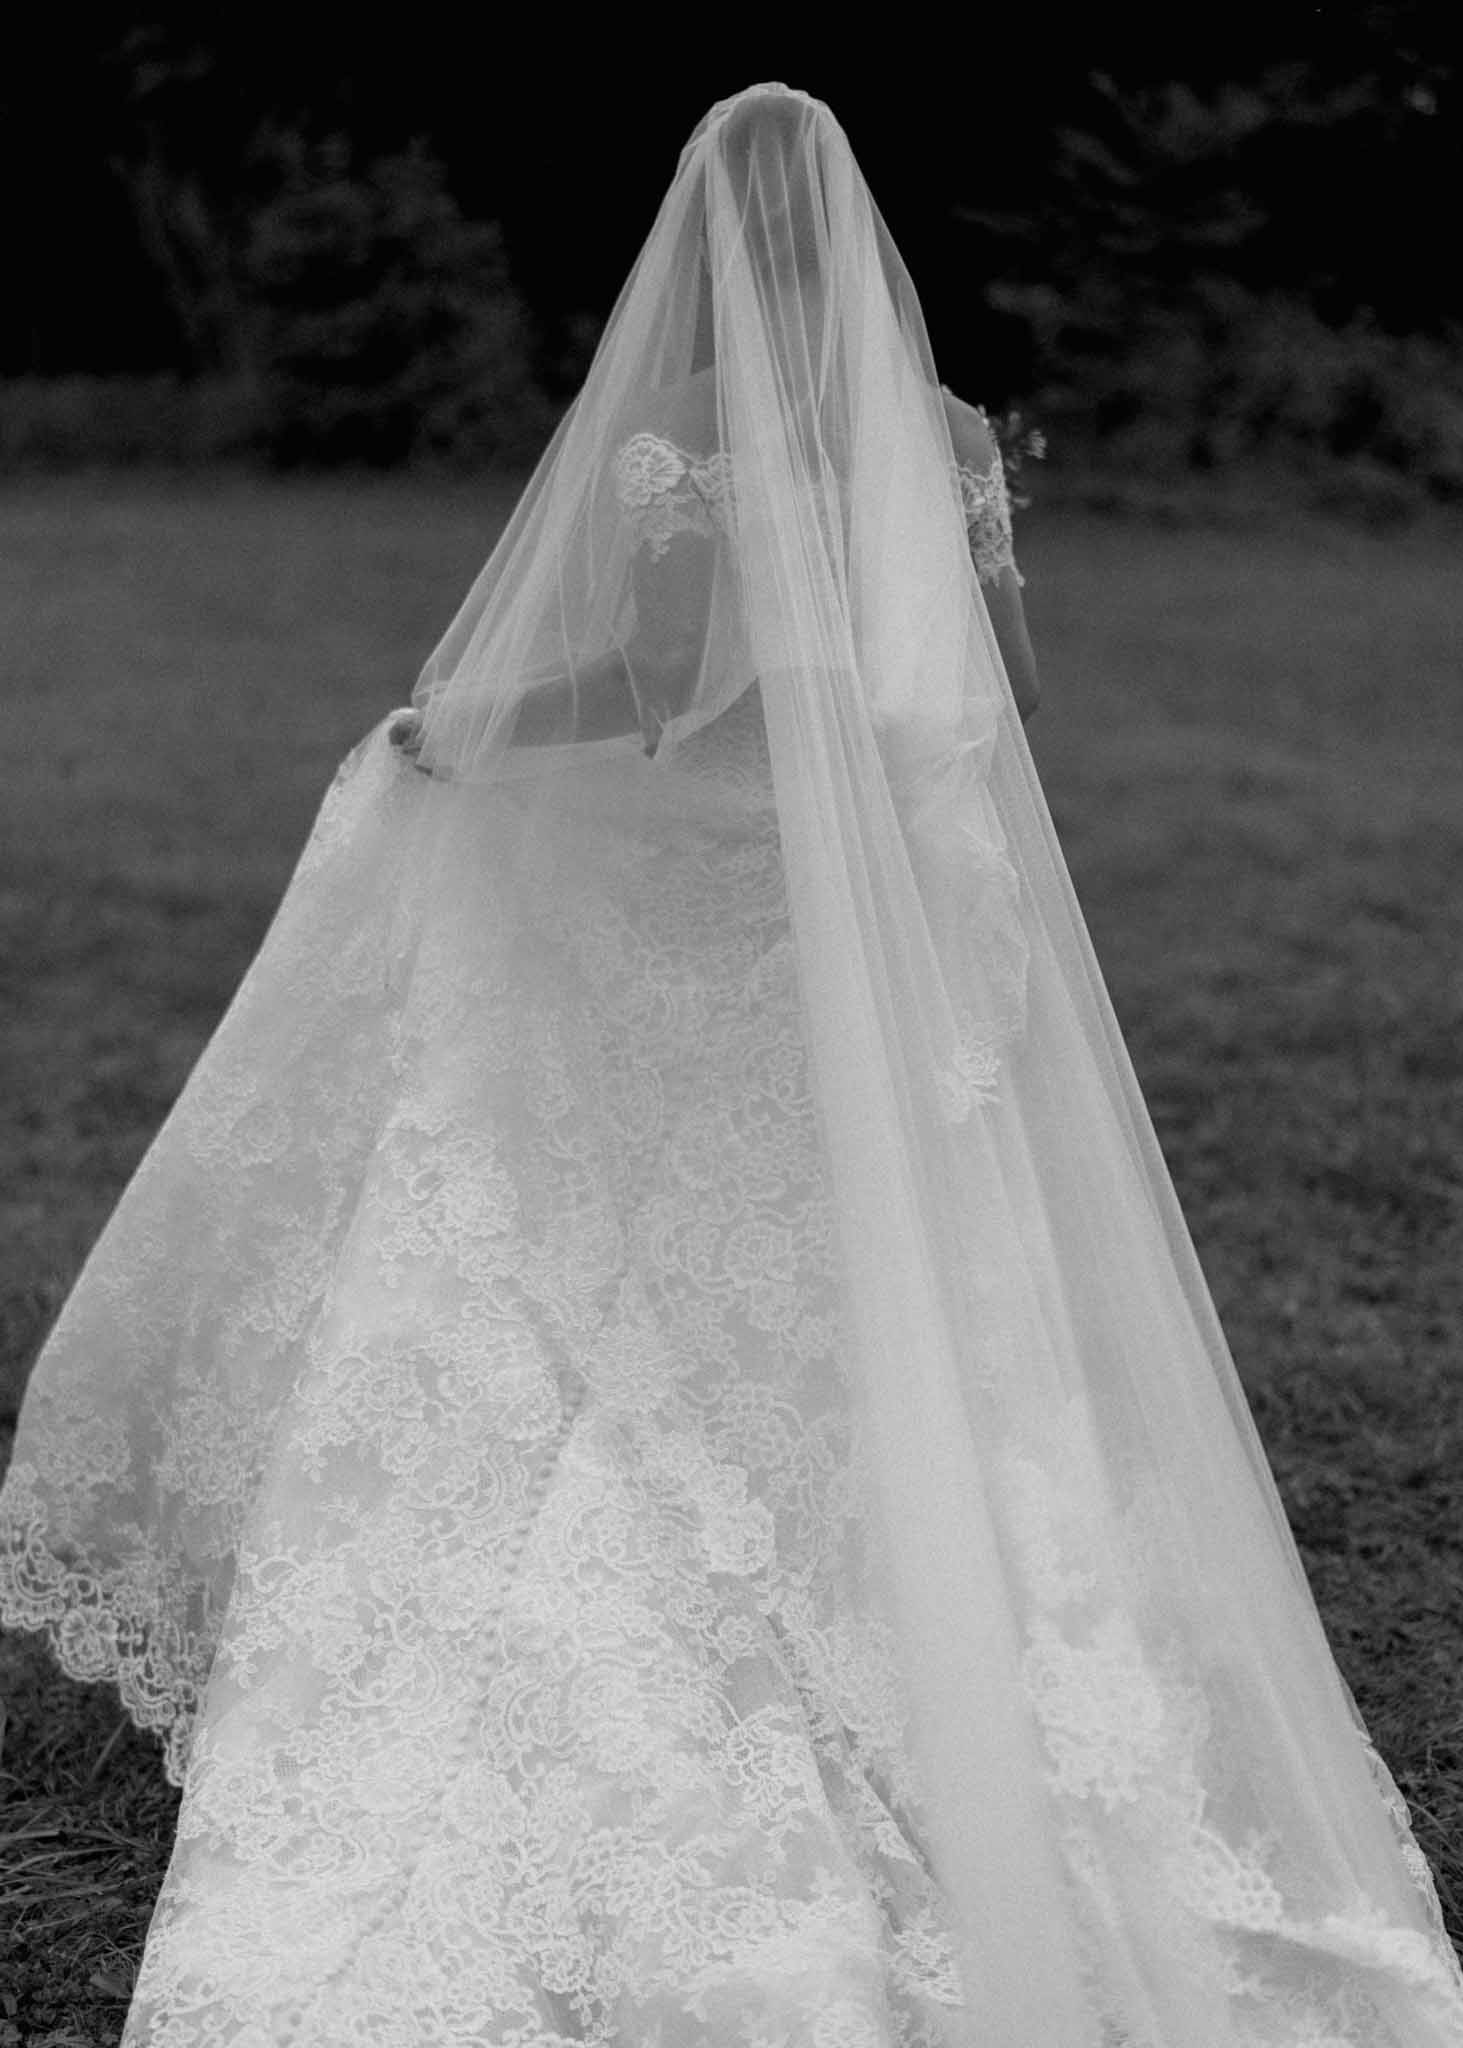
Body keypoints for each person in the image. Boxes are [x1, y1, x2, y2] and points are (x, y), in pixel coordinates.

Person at [2, 82, 1460, 2048]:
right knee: (876, 1264)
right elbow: (1008, 691)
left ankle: (676, 1571)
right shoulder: (948, 433)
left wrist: (464, 719)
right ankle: (932, 1636)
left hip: (715, 898)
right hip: (881, 920)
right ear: (849, 240)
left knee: (631, 1229)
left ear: (713, 236)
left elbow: (665, 688)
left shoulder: (685, 421)